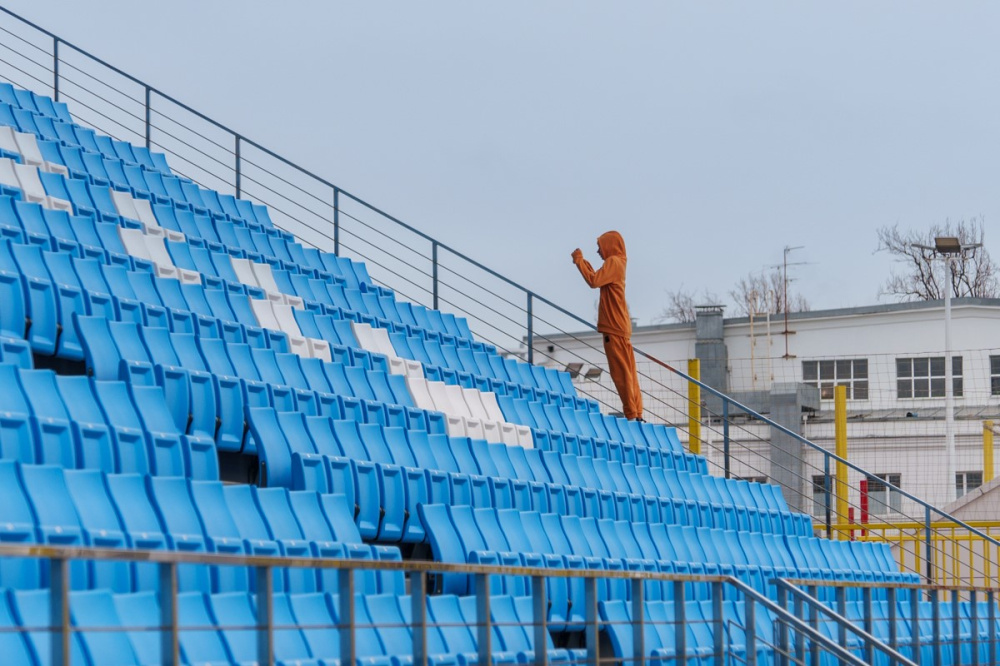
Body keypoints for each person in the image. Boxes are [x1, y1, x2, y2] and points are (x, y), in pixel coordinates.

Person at [572, 231, 643, 421]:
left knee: (620, 374)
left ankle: (631, 414)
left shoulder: (613, 262)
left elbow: (593, 281)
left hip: (613, 327)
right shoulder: (618, 264)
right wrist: (583, 261)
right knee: (629, 372)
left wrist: (579, 261)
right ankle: (636, 412)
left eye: (600, 247)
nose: (598, 251)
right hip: (621, 326)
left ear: (610, 246)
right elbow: (597, 276)